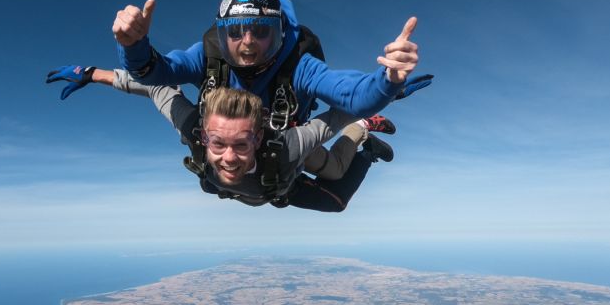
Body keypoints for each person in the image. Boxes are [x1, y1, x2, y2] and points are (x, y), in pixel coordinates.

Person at [46, 66, 392, 211]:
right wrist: (92, 74)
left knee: (335, 188)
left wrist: (384, 89)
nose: (228, 158)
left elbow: (332, 117)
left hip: (282, 169)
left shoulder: (287, 145)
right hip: (273, 178)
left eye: (241, 144)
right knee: (329, 172)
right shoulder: (193, 129)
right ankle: (361, 135)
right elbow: (155, 86)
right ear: (205, 136)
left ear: (257, 138)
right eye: (218, 144)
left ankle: (364, 136)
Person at [111, 0, 432, 128]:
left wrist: (387, 81)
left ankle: (364, 134)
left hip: (284, 135)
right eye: (235, 32)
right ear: (222, 35)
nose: (247, 41)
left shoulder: (298, 64)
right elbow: (157, 72)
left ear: (278, 34)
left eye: (260, 30)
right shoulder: (207, 56)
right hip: (234, 144)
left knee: (329, 185)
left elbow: (349, 93)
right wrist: (134, 46)